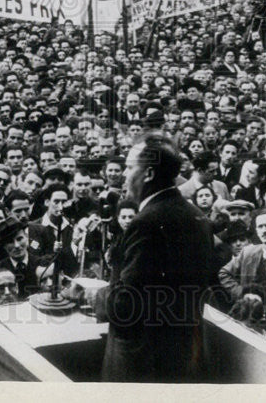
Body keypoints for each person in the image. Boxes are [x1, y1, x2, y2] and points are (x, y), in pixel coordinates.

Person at [72, 134, 215, 382]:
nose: (124, 175)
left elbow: (126, 305)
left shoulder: (146, 223)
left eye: (129, 167)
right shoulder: (196, 215)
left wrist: (94, 295)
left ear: (148, 174)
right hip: (184, 354)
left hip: (142, 361)